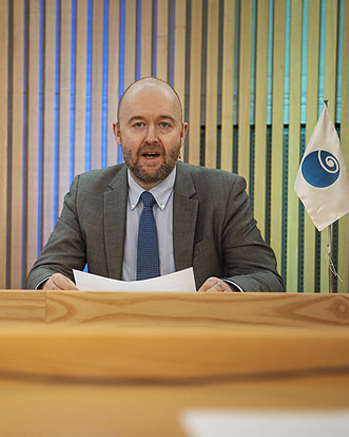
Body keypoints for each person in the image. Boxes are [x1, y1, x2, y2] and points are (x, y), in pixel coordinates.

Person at [25, 77, 284, 292]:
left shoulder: (223, 193)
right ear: (117, 133)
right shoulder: (86, 193)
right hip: (111, 340)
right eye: (138, 125)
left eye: (164, 125)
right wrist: (50, 284)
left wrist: (230, 288)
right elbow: (44, 271)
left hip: (194, 342)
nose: (151, 138)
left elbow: (265, 277)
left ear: (182, 133)